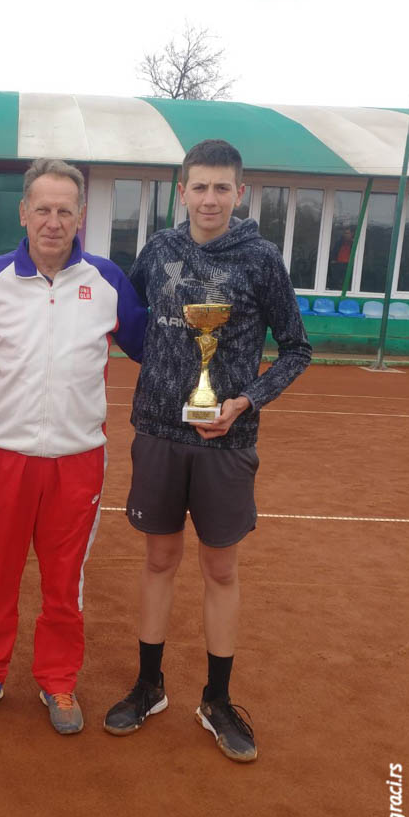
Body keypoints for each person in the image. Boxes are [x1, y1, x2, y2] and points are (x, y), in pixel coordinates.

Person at [104, 139, 311, 761]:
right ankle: (149, 685)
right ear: (182, 191)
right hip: (158, 437)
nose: (210, 199)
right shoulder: (159, 249)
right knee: (159, 560)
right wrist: (162, 372)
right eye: (199, 187)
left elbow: (298, 348)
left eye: (222, 188)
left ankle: (217, 699)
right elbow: (128, 319)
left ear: (239, 193)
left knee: (220, 569)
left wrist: (244, 401)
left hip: (229, 442)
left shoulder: (261, 257)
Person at [0, 159, 147, 735]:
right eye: (43, 209)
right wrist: (1, 370)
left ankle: (58, 683)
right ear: (23, 213)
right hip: (3, 455)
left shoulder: (108, 281)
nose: (53, 222)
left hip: (79, 457)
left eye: (65, 210)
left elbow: (147, 347)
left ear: (81, 215)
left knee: (65, 582)